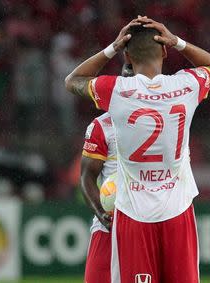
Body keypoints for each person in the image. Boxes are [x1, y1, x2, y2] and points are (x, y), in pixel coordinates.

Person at [65, 16, 210, 283]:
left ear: (127, 56)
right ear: (164, 50)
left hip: (133, 216)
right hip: (178, 210)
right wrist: (178, 42)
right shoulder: (185, 85)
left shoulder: (116, 90)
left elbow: (73, 80)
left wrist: (112, 47)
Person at [81, 63, 133, 283]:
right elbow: (86, 177)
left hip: (151, 219)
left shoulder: (168, 119)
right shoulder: (102, 126)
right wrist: (102, 215)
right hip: (110, 223)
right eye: (125, 80)